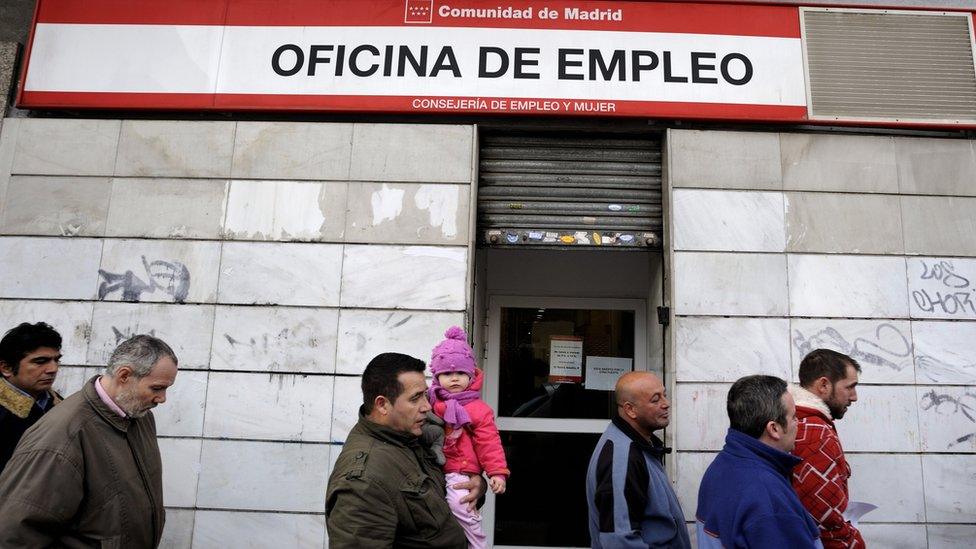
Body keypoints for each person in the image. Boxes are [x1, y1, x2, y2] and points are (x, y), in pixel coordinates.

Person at [0, 335, 178, 548]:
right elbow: (17, 532)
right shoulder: (62, 434)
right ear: (124, 375)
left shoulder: (140, 416)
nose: (162, 398)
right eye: (156, 388)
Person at [326, 352, 485, 548]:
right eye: (415, 398)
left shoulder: (410, 436)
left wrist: (474, 485)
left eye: (426, 395)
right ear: (382, 405)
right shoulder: (362, 481)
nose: (427, 406)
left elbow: (432, 501)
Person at [696, 375, 822, 549]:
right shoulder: (769, 498)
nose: (797, 422)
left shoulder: (723, 464)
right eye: (793, 416)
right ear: (774, 429)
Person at [585, 371, 690, 549]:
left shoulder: (639, 446)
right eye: (655, 399)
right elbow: (619, 540)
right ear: (630, 410)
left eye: (664, 395)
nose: (666, 404)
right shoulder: (622, 458)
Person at [427, 326, 510, 549]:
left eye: (461, 374)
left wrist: (497, 473)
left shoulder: (478, 409)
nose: (454, 379)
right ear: (436, 376)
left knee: (459, 504)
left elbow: (489, 442)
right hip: (435, 469)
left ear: (471, 375)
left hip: (460, 470)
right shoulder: (431, 403)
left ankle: (477, 542)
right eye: (447, 374)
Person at [791, 349, 864, 548]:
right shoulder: (815, 432)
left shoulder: (799, 421)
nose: (854, 397)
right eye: (850, 387)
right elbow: (823, 518)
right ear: (824, 385)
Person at [0, 322, 63, 472]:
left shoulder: (62, 406)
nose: (53, 369)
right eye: (40, 362)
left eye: (57, 360)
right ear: (6, 368)